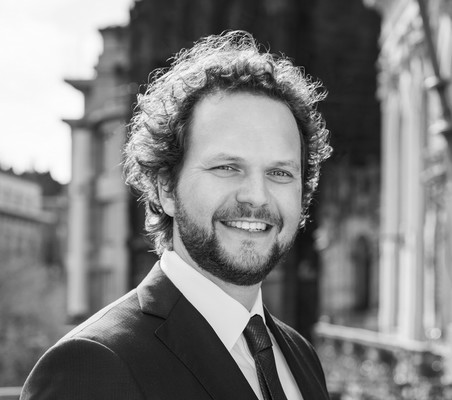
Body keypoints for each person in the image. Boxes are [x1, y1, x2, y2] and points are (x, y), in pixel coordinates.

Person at [21, 30, 332, 400]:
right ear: (166, 187)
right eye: (226, 167)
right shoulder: (90, 366)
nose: (256, 195)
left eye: (280, 173)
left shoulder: (301, 356)